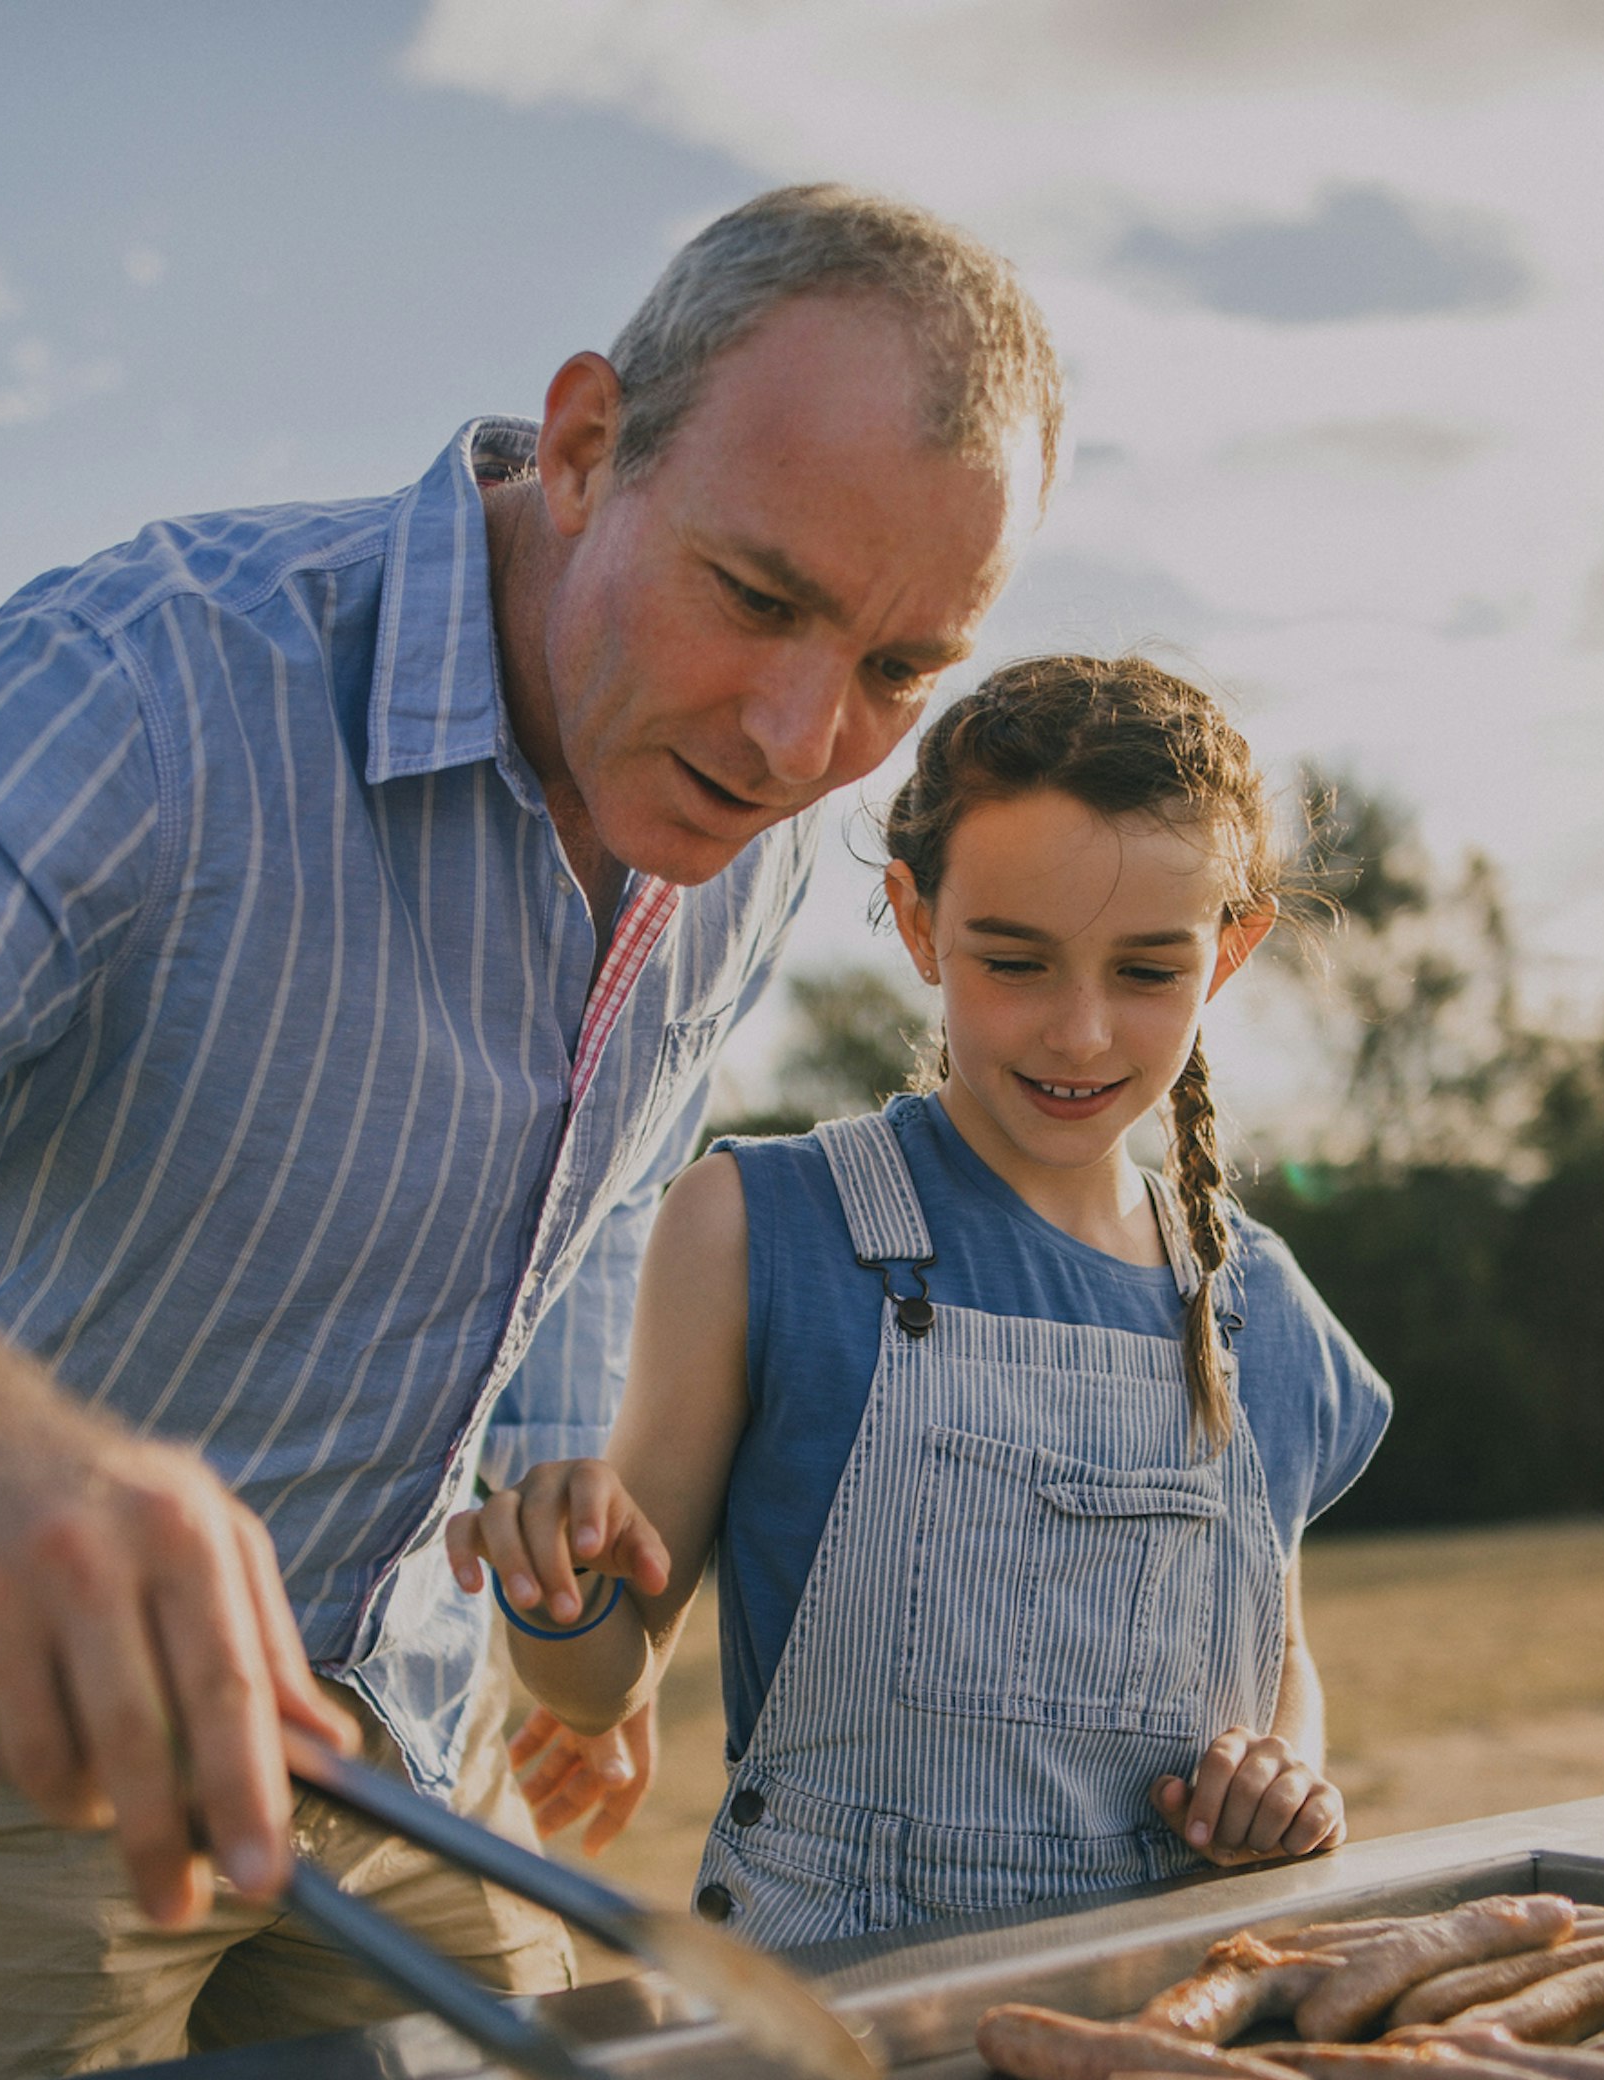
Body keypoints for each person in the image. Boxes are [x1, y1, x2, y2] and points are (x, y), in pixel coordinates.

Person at [0, 186, 1062, 2080]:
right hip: (1, 1738)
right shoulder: (160, 680)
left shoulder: (761, 813)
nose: (804, 733)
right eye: (761, 595)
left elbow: (609, 1173)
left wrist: (554, 1479)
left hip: (409, 1715)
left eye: (901, 669)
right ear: (580, 446)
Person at [442, 655, 1391, 1945]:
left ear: (1230, 950)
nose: (1080, 1033)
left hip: (1173, 2012)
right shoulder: (754, 1228)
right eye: (1017, 963)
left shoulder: (1256, 1307)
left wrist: (1286, 1770)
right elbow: (606, 1683)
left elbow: (1278, 1656)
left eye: (1147, 973)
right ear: (914, 918)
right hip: (840, 2015)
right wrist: (558, 1587)